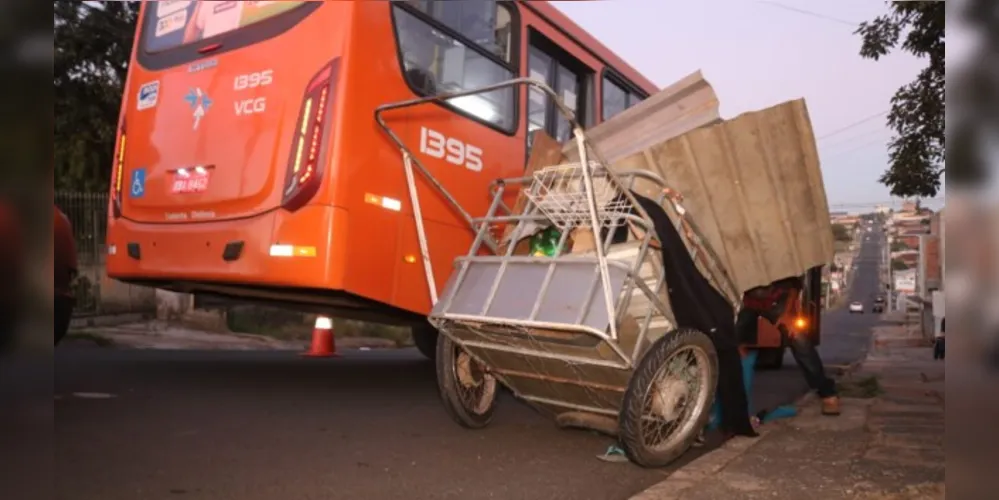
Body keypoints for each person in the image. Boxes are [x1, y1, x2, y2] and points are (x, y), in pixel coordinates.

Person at [738, 275, 841, 416]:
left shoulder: (782, 269)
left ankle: (827, 393)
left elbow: (794, 287)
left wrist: (787, 314)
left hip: (776, 304)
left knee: (798, 339)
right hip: (746, 304)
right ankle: (732, 400)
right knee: (734, 345)